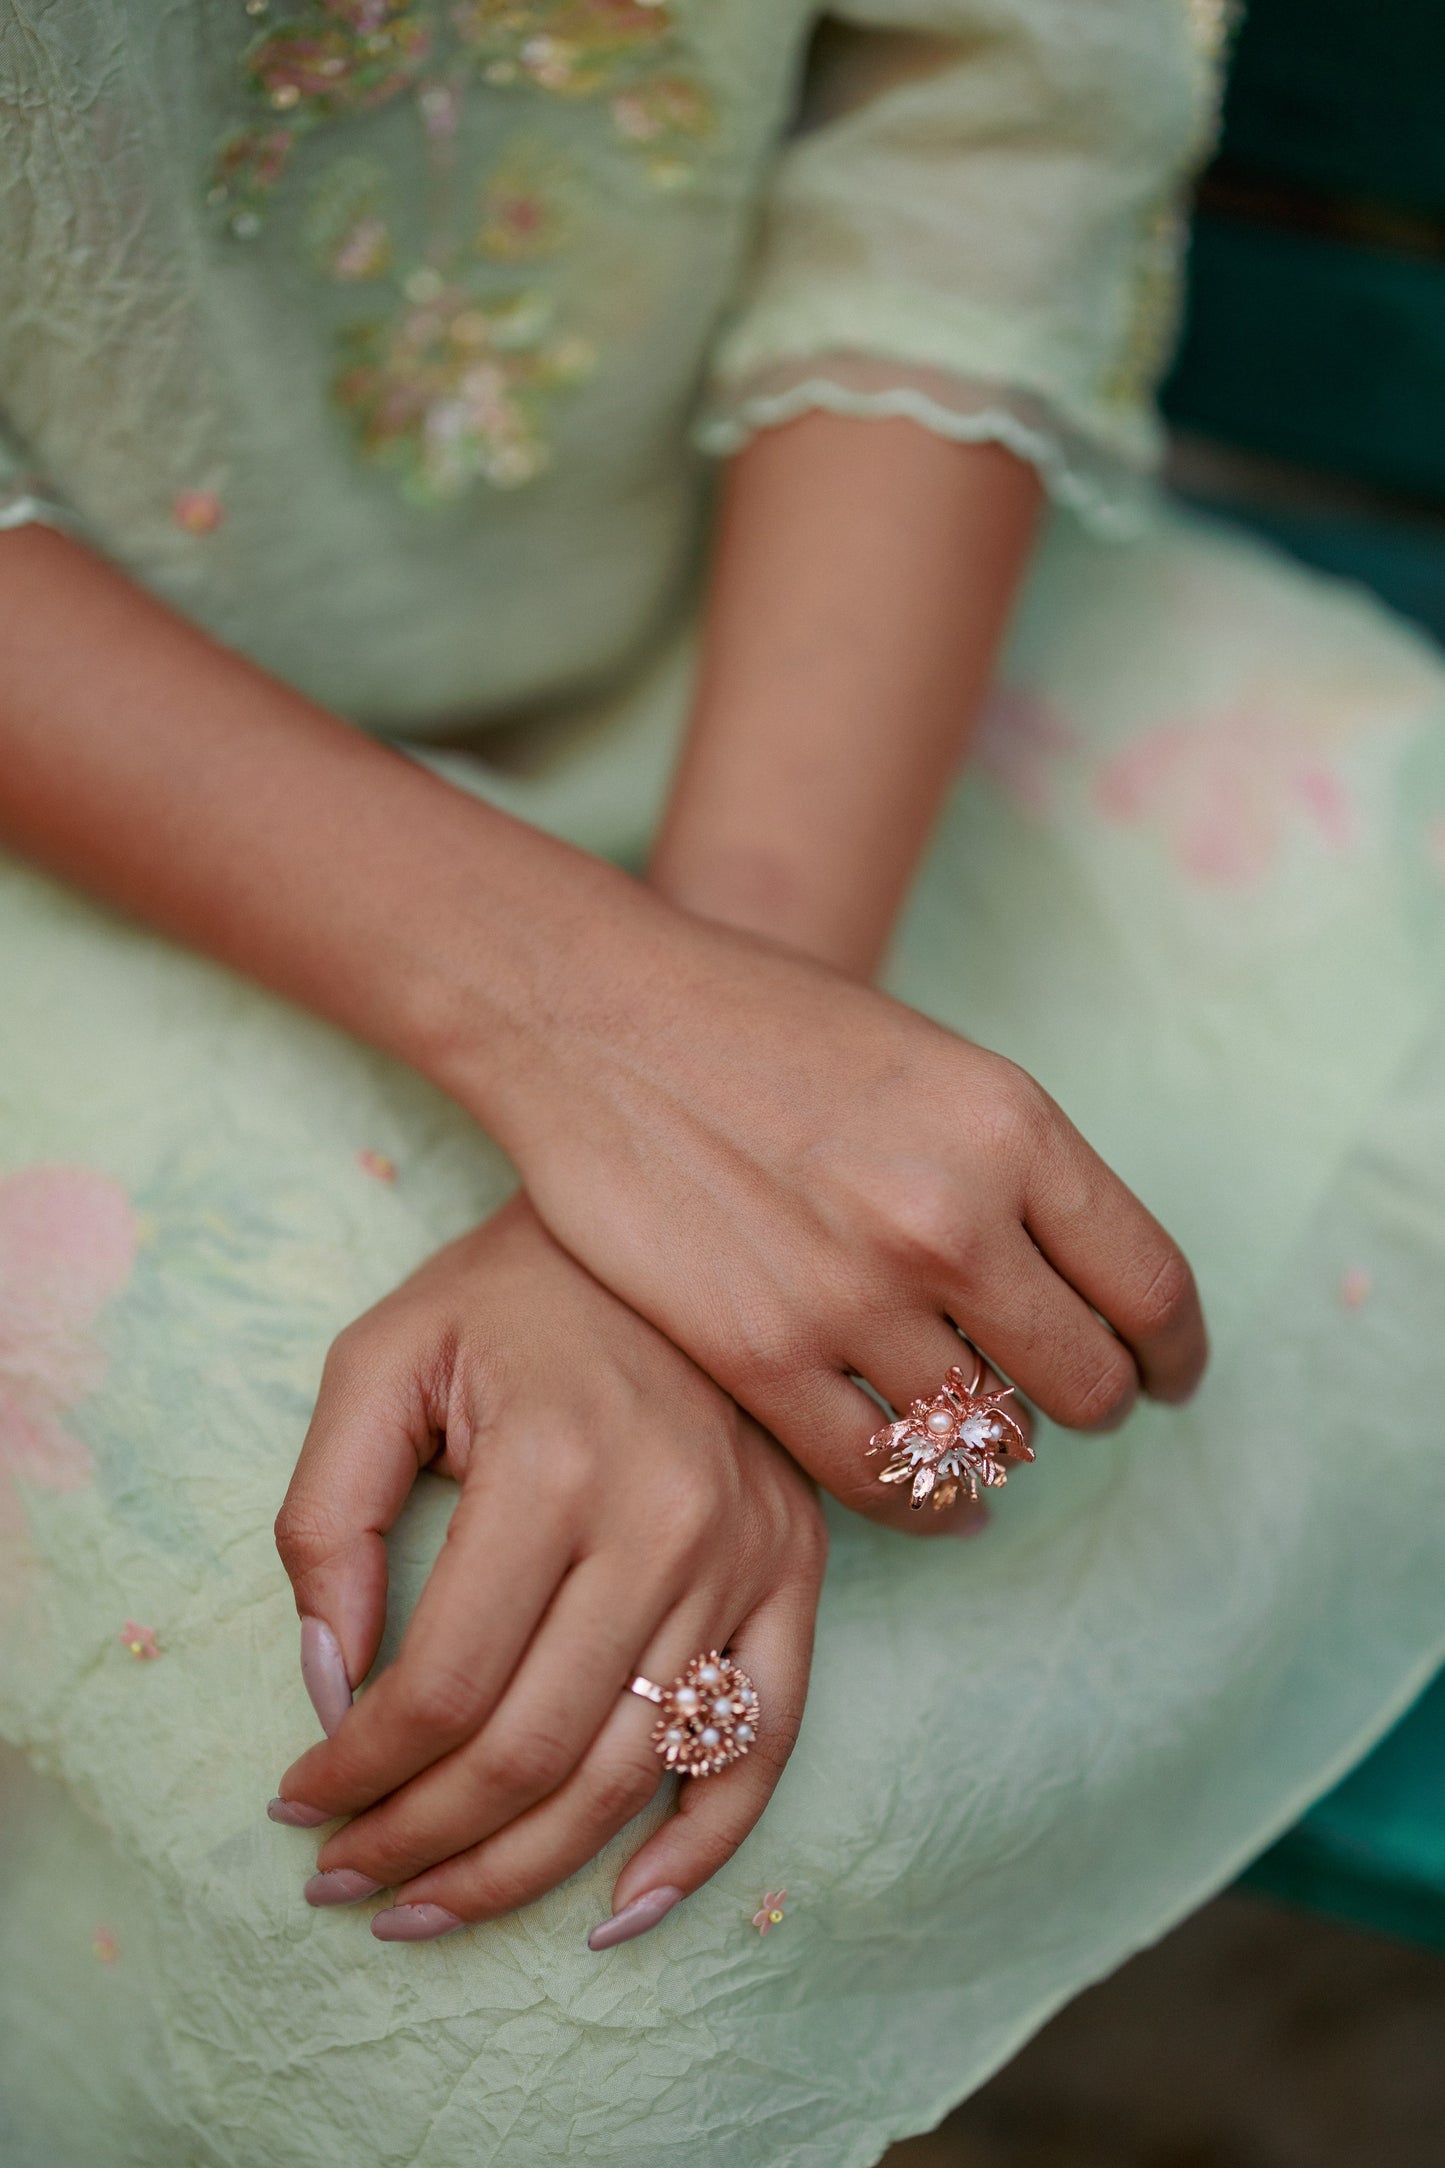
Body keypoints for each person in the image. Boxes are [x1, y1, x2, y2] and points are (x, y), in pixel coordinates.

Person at [1, 3, 1442, 2163]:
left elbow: (982, 116)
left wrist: (736, 1063)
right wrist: (601, 1032)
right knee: (512, 1926)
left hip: (790, 621)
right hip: (70, 793)